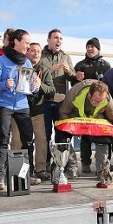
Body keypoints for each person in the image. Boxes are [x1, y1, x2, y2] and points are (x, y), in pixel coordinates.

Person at [0, 29, 41, 191]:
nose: (28, 46)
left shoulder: (26, 62)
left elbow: (30, 86)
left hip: (22, 104)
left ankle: (28, 173)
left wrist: (36, 87)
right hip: (3, 104)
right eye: (26, 42)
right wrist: (5, 84)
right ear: (15, 42)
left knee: (28, 140)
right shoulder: (1, 61)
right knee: (3, 140)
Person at [10, 42, 55, 180]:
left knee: (41, 140)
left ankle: (40, 168)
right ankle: (16, 170)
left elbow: (51, 91)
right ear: (27, 52)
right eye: (33, 51)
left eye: (39, 52)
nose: (36, 54)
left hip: (37, 112)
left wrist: (40, 84)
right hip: (18, 111)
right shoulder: (17, 67)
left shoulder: (44, 70)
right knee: (17, 141)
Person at [39, 29, 78, 177]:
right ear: (48, 40)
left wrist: (70, 72)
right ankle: (46, 164)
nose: (58, 40)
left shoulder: (66, 57)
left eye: (61, 38)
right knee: (46, 136)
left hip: (61, 102)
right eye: (55, 38)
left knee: (62, 135)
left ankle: (63, 164)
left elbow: (74, 79)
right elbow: (35, 74)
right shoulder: (41, 56)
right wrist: (50, 69)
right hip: (44, 102)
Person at [59, 80, 113, 178]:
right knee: (62, 136)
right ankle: (72, 167)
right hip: (75, 117)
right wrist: (72, 129)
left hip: (96, 118)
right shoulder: (73, 94)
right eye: (95, 101)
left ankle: (102, 168)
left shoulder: (108, 99)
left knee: (105, 136)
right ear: (89, 95)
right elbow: (63, 113)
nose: (97, 104)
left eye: (100, 102)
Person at [70, 37, 111, 173]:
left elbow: (109, 86)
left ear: (98, 49)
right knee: (86, 136)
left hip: (101, 106)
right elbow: (73, 86)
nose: (90, 48)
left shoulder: (105, 65)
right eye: (88, 46)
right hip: (85, 106)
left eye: (93, 46)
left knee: (103, 135)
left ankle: (105, 163)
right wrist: (76, 78)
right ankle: (85, 162)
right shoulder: (80, 65)